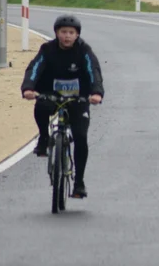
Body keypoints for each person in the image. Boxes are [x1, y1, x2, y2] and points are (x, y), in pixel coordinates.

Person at [21, 14, 105, 199]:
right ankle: (44, 138)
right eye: (63, 32)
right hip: (51, 94)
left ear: (77, 35)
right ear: (56, 33)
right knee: (40, 107)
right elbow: (34, 68)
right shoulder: (47, 49)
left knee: (80, 137)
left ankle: (79, 183)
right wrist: (28, 88)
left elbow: (94, 71)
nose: (67, 36)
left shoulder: (84, 51)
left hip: (78, 99)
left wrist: (96, 93)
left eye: (71, 33)